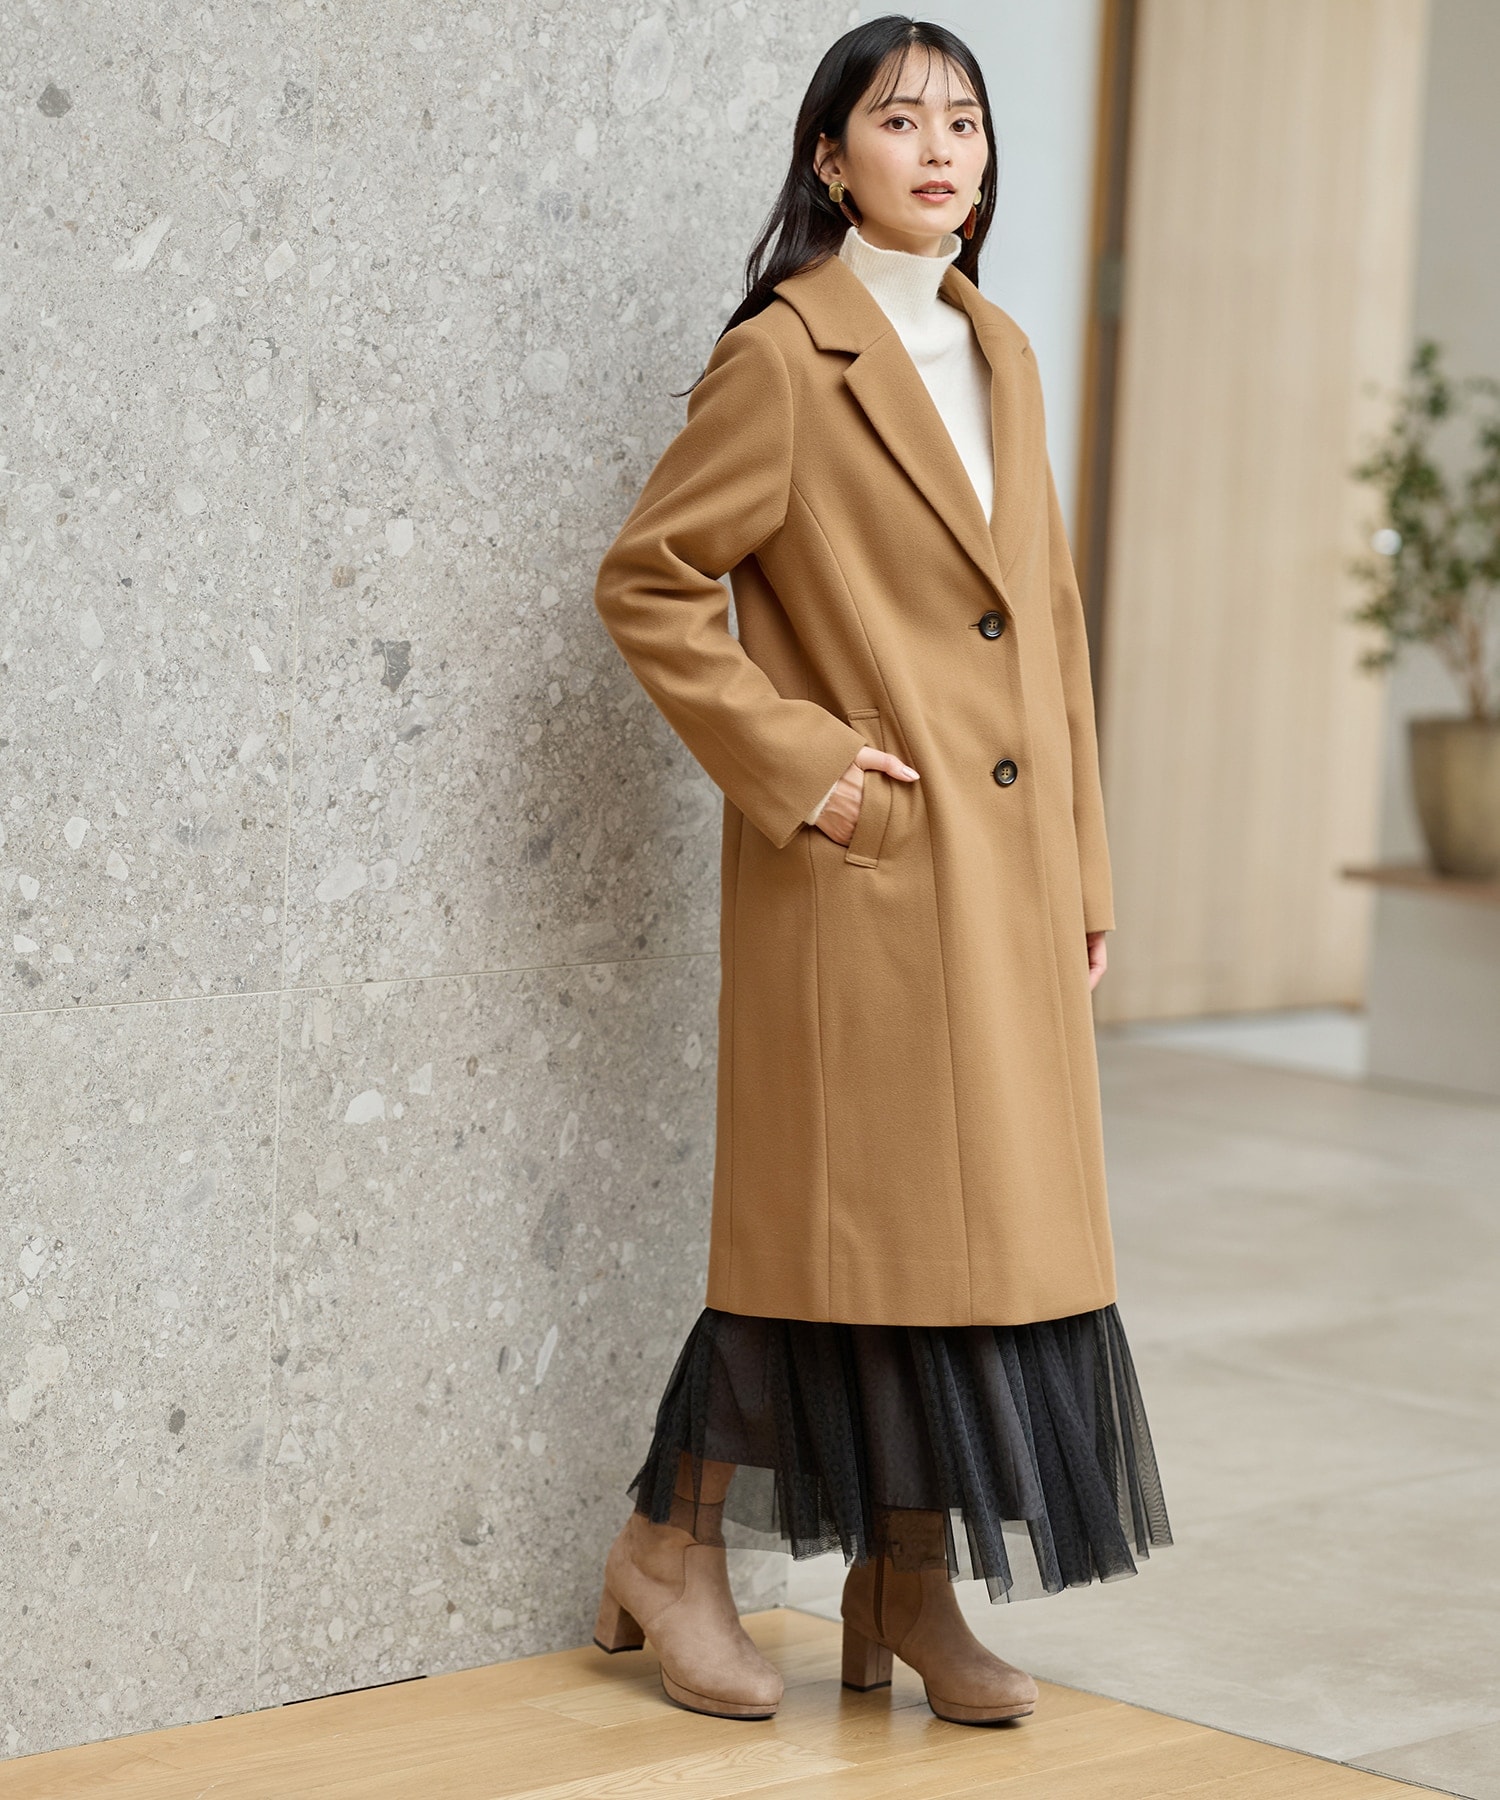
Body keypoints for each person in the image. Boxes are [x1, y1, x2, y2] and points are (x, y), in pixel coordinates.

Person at [588, 14, 1172, 1727]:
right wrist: (802, 767)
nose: (940, 150)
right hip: (867, 877)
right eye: (901, 121)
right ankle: (669, 1547)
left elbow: (1045, 626)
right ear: (830, 160)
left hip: (1006, 877)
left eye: (964, 123)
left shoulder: (1001, 347)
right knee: (828, 1238)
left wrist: (1083, 868)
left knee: (971, 1247)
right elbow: (649, 582)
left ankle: (908, 1584)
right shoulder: (786, 356)